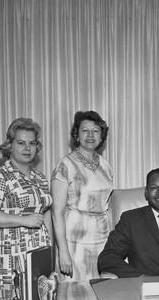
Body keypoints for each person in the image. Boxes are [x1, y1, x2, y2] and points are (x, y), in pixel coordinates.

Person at [0, 118, 52, 286]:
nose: (27, 148)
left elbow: (45, 214)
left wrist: (50, 250)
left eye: (32, 143)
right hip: (6, 252)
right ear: (10, 145)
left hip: (37, 249)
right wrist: (23, 220)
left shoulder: (40, 178)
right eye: (21, 143)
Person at [51, 111, 114, 281]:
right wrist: (63, 252)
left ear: (102, 136)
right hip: (75, 241)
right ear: (76, 135)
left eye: (95, 130)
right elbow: (56, 213)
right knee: (76, 295)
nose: (90, 135)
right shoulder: (65, 165)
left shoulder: (105, 166)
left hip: (102, 239)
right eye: (85, 130)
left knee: (101, 292)